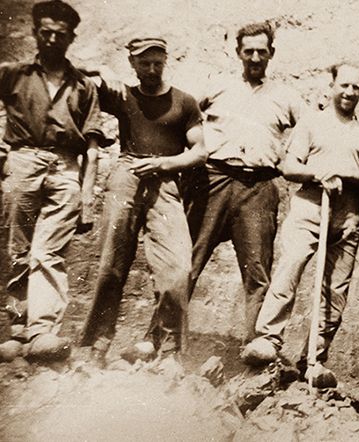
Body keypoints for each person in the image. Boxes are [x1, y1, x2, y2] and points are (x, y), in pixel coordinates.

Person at [242, 63, 359, 387]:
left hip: (348, 216)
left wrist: (342, 173)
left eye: (355, 87)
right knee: (290, 267)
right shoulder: (311, 122)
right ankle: (268, 339)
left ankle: (314, 359)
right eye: (343, 85)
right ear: (332, 86)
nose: (349, 92)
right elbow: (289, 166)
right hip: (309, 208)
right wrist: (319, 174)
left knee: (336, 289)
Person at [79, 38, 207, 367]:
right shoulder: (123, 95)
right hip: (127, 173)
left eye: (157, 63)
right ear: (132, 64)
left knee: (178, 268)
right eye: (144, 63)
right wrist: (101, 69)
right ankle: (98, 348)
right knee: (111, 264)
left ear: (165, 61)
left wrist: (164, 164)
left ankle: (169, 353)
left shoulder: (184, 102)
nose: (151, 70)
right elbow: (71, 74)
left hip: (165, 180)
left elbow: (199, 152)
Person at [184, 21, 304, 343]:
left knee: (257, 272)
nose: (254, 58)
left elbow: (311, 130)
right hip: (214, 181)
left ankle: (256, 349)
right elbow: (183, 112)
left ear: (271, 53)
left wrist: (292, 158)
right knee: (188, 261)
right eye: (248, 51)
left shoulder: (286, 96)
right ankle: (162, 342)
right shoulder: (218, 86)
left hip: (258, 188)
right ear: (238, 52)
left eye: (261, 52)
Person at [0, 0, 105, 362]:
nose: (52, 39)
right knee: (19, 248)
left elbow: (93, 146)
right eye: (45, 32)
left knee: (49, 251)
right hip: (23, 161)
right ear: (35, 33)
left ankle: (43, 330)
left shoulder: (84, 85)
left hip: (65, 167)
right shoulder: (13, 74)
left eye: (60, 34)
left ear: (71, 38)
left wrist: (87, 197)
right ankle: (18, 330)